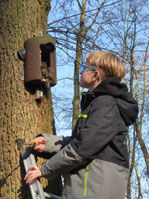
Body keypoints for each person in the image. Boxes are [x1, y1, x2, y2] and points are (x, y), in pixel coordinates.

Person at [24, 51, 138, 199]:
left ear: (95, 76)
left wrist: (45, 170)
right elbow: (79, 141)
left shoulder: (106, 104)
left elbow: (82, 148)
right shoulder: (98, 103)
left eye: (85, 67)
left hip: (96, 187)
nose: (81, 70)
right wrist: (47, 143)